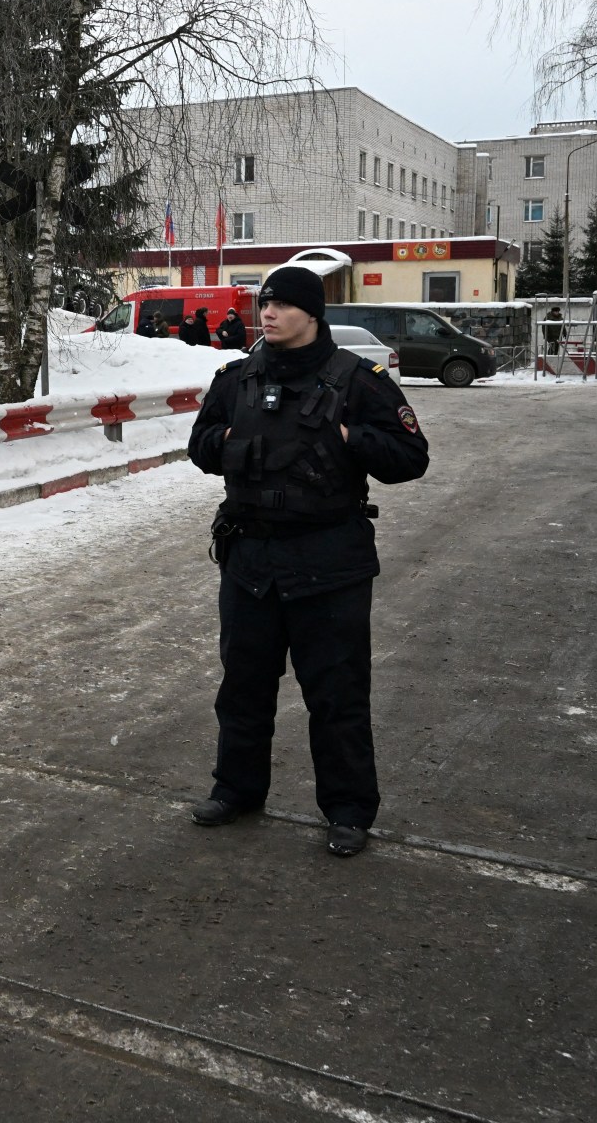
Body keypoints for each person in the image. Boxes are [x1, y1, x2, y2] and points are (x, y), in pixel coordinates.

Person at [185, 265, 429, 856]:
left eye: (282, 305)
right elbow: (200, 445)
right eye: (264, 303)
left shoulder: (358, 380)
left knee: (336, 694)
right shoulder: (236, 378)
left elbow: (411, 457)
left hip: (329, 563)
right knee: (242, 687)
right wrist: (229, 445)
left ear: (312, 314)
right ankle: (236, 789)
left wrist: (351, 439)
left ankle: (348, 810)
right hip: (250, 560)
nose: (267, 313)